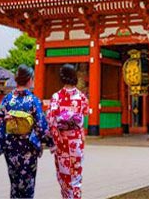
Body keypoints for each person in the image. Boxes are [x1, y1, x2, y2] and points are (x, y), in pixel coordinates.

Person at [0, 65, 53, 199]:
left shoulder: (7, 99)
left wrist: (1, 142)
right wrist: (50, 142)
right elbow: (41, 125)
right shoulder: (33, 100)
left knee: (14, 183)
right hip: (28, 147)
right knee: (27, 184)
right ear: (29, 80)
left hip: (10, 146)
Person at [47, 64, 89, 199]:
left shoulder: (56, 96)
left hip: (61, 140)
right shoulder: (81, 97)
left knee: (63, 175)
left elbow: (51, 120)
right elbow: (84, 116)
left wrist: (54, 141)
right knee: (76, 175)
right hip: (76, 140)